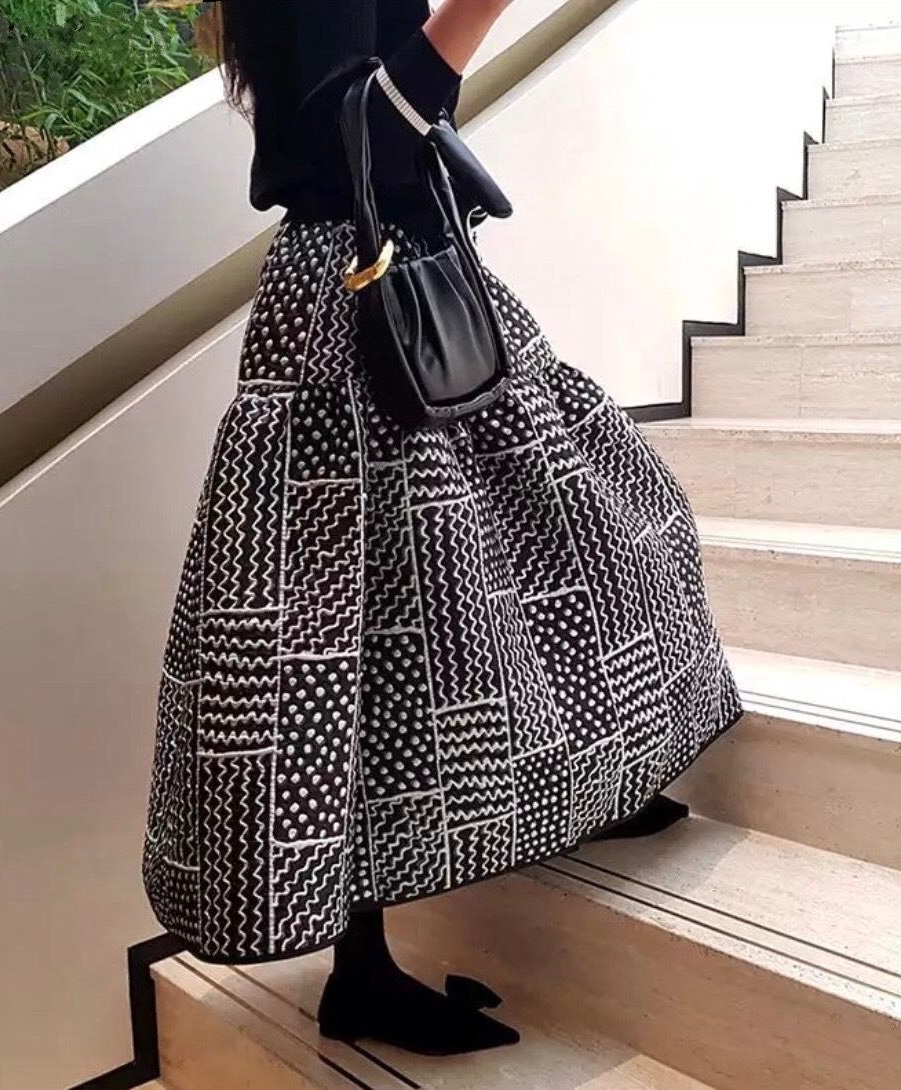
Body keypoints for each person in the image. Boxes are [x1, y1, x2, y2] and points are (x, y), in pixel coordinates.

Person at [143, 0, 742, 1056]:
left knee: (591, 524)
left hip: (407, 268)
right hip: (353, 304)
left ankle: (598, 776)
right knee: (359, 633)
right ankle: (359, 973)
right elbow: (356, 130)